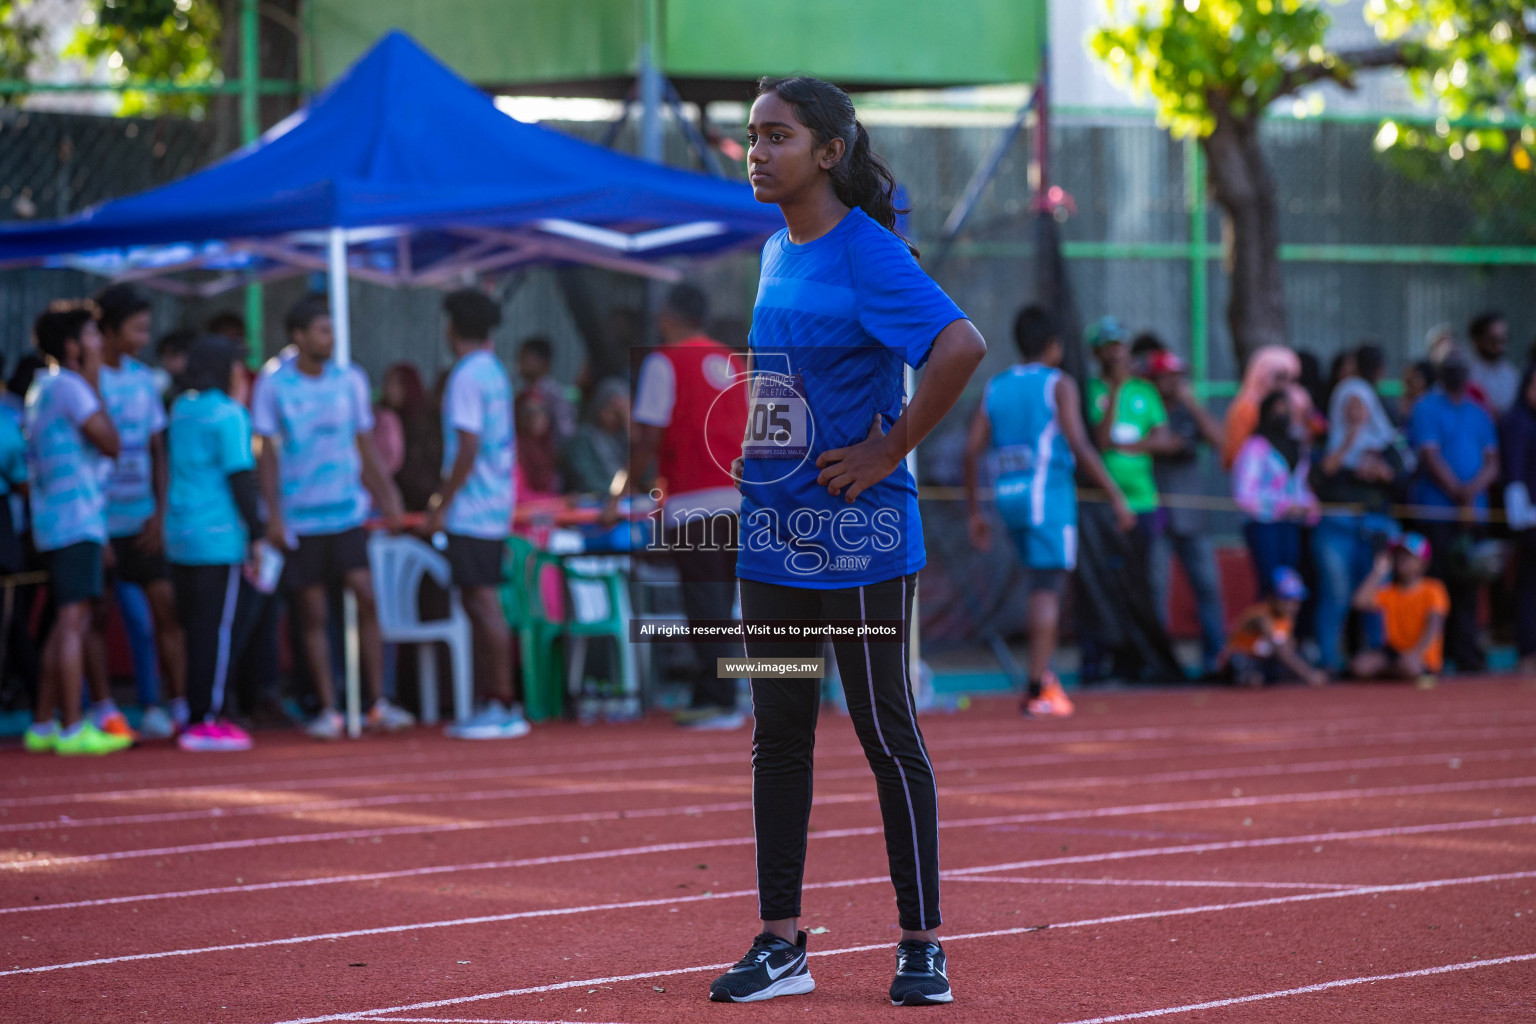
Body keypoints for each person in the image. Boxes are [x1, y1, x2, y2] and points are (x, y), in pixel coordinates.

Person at [709, 74, 986, 1008]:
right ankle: (781, 943)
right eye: (751, 137)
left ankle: (921, 944)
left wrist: (887, 449)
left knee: (884, 728)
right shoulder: (773, 253)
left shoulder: (870, 254)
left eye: (776, 137)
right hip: (773, 537)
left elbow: (960, 347)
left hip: (860, 535)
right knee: (778, 736)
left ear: (829, 152)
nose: (757, 152)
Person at [252, 294, 415, 739]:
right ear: (298, 337)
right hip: (300, 520)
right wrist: (273, 516)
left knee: (365, 595)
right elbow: (263, 450)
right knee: (312, 613)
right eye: (323, 330)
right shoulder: (273, 383)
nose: (332, 338)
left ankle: (377, 702)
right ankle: (328, 709)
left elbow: (364, 444)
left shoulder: (350, 379)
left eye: (333, 329)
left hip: (347, 513)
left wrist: (388, 494)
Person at [964, 305, 1135, 716]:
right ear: (1054, 346)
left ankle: (1044, 677)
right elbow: (1079, 444)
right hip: (1047, 498)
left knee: (1039, 584)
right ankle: (1038, 686)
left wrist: (976, 511)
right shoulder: (1059, 384)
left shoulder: (996, 386)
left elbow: (971, 452)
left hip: (1008, 496)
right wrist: (1115, 495)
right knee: (1048, 587)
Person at [625, 283, 749, 731]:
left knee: (706, 604)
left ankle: (719, 698)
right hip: (741, 500)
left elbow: (647, 435)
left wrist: (622, 489)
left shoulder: (665, 361)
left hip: (693, 500)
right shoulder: (732, 361)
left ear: (670, 316)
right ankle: (722, 691)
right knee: (729, 602)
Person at [21, 303, 132, 756]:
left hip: (54, 520)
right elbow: (111, 442)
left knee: (64, 620)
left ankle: (44, 724)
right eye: (91, 336)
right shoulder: (71, 387)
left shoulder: (41, 389)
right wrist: (95, 379)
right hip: (76, 519)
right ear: (72, 347)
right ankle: (72, 727)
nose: (99, 343)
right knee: (74, 620)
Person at [425, 288, 529, 740]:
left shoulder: (466, 375)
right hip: (492, 503)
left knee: (482, 601)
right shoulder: (493, 371)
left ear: (451, 328)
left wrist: (441, 503)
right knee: (479, 600)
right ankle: (497, 700)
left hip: (472, 508)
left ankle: (501, 702)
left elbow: (467, 445)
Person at [163, 336, 268, 751]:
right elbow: (241, 477)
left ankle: (189, 711)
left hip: (180, 535)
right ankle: (205, 718)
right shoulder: (230, 415)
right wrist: (258, 536)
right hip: (217, 537)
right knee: (216, 632)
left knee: (193, 629)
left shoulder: (180, 409)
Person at [93, 284, 185, 740]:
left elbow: (157, 450)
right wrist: (98, 527)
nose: (144, 338)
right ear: (107, 330)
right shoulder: (85, 382)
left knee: (164, 611)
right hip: (99, 524)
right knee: (98, 616)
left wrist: (159, 512)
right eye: (137, 329)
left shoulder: (143, 380)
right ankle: (104, 709)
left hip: (143, 520)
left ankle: (179, 706)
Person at [1311, 344, 1407, 675]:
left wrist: (1383, 472)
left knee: (1375, 596)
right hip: (1336, 524)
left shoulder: (1388, 441)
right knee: (1335, 595)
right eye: (1349, 405)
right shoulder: (1326, 438)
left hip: (1377, 525)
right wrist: (1350, 437)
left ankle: (1377, 661)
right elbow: (1320, 476)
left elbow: (1404, 477)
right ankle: (1328, 661)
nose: (1356, 411)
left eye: (1360, 405)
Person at [1137, 340, 1228, 675]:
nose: (1172, 382)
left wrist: (1193, 403)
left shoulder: (1189, 410)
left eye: (1177, 376)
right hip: (1157, 517)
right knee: (1156, 591)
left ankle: (1215, 660)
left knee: (1208, 588)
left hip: (1193, 520)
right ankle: (1160, 663)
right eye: (1165, 376)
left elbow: (1221, 442)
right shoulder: (1144, 408)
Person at [1406, 351, 1499, 672]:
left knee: (1470, 584)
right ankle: (1436, 652)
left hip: (1474, 513)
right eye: (1451, 369)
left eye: (1462, 368)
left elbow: (1492, 462)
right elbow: (1430, 456)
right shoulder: (1426, 408)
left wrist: (1471, 494)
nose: (1457, 374)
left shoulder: (1478, 412)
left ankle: (1466, 651)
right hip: (1438, 513)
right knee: (1438, 582)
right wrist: (1459, 493)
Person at [1085, 316, 1173, 544]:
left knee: (1145, 573)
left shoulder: (1144, 390)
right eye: (1107, 347)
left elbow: (1164, 439)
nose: (1115, 354)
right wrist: (1114, 390)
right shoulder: (1089, 390)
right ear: (1096, 353)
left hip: (1144, 499)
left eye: (1118, 346)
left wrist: (1130, 446)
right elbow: (1101, 442)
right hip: (1104, 501)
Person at [1233, 389, 1319, 598]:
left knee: (1292, 583)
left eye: (1287, 409)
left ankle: (1286, 630)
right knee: (1271, 584)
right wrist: (1282, 505)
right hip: (1264, 523)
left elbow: (1299, 485)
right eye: (1277, 409)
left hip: (1292, 524)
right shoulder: (1255, 447)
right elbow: (1243, 494)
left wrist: (1310, 505)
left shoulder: (1296, 445)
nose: (1283, 414)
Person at [1349, 533, 1449, 684]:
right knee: (1359, 666)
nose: (1401, 560)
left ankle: (1412, 672)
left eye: (1408, 556)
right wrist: (1378, 571)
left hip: (1422, 656)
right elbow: (1359, 601)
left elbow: (1434, 627)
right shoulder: (1390, 592)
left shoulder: (1433, 589)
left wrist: (1416, 654)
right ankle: (1398, 673)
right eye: (1398, 555)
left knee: (1409, 666)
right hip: (1394, 653)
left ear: (1423, 562)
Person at [1216, 567, 1326, 687]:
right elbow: (1279, 647)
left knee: (1307, 651)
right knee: (1247, 670)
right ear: (1273, 597)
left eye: (1296, 600)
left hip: (1266, 661)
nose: (1293, 606)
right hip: (1244, 660)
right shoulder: (1260, 616)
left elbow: (1286, 645)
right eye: (1287, 600)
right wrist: (1308, 674)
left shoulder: (1286, 618)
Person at [1499, 365, 1536, 674]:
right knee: (1529, 586)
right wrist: (1521, 510)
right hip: (1530, 519)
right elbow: (1513, 468)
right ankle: (1527, 652)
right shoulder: (1517, 421)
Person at [1223, 346, 1304, 470]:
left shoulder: (1291, 406)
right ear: (1261, 375)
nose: (1285, 386)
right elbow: (1232, 457)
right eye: (1280, 378)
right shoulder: (1246, 408)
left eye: (1291, 379)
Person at [378, 363, 440, 513]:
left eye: (397, 384)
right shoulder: (382, 421)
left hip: (421, 504)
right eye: (388, 383)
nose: (390, 389)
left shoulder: (424, 426)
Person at [563, 376, 629, 495]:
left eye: (619, 414)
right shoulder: (583, 439)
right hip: (592, 504)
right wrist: (617, 492)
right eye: (611, 410)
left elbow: (640, 472)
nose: (614, 417)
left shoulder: (623, 440)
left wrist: (629, 427)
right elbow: (587, 480)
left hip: (621, 502)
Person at [515, 335, 576, 445]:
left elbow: (565, 433)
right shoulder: (523, 392)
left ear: (544, 363)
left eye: (525, 358)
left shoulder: (553, 395)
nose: (520, 363)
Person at [1467, 311, 1519, 416]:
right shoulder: (1465, 370)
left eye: (1503, 340)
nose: (1499, 347)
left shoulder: (1510, 372)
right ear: (1477, 339)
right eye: (1493, 340)